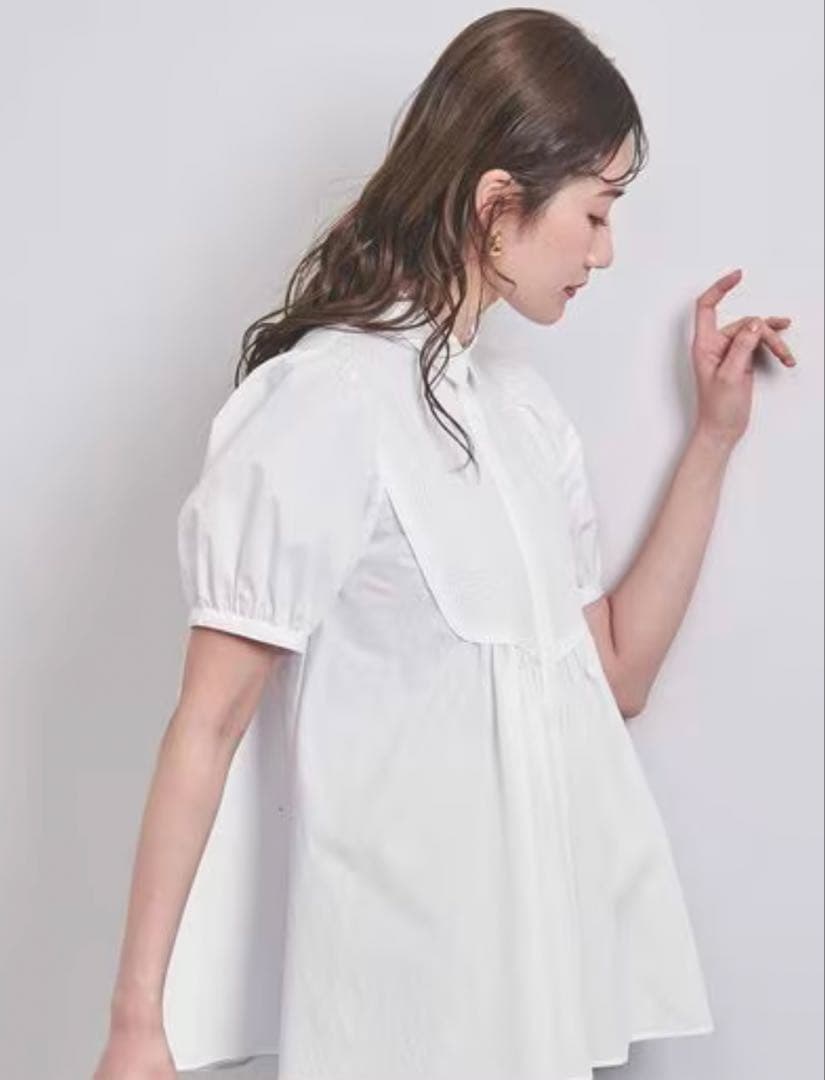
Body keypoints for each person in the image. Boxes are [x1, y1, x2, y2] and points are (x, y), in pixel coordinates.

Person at [92, 9, 796, 1080]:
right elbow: (209, 718)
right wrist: (138, 1024)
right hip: (390, 1023)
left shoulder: (521, 422)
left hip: (528, 1016)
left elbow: (613, 672)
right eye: (596, 211)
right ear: (496, 203)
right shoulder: (325, 402)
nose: (605, 251)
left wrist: (712, 439)